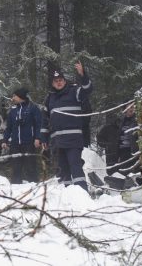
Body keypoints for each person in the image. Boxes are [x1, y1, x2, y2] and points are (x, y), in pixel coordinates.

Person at [43, 62, 93, 191]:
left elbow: (88, 89)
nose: (59, 83)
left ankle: (83, 193)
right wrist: (43, 138)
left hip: (73, 139)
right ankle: (68, 195)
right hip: (57, 142)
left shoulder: (74, 91)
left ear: (65, 81)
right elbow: (45, 120)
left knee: (75, 166)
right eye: (56, 81)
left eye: (61, 80)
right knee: (63, 170)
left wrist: (83, 74)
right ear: (52, 84)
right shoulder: (49, 98)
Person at [1, 88, 43, 184]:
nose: (13, 98)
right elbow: (9, 128)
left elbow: (39, 124)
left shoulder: (32, 108)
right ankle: (16, 187)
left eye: (14, 96)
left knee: (30, 167)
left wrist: (38, 138)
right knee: (15, 167)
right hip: (15, 144)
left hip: (29, 143)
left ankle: (34, 186)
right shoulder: (13, 111)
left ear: (21, 97)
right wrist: (5, 140)